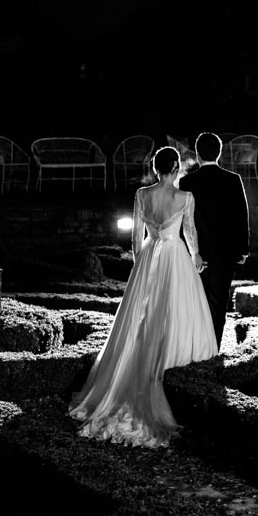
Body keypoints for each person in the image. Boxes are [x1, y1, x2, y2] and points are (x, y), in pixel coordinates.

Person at [68, 146, 217, 448]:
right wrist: (197, 256)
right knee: (175, 314)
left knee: (141, 319)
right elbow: (189, 233)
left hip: (149, 258)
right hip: (175, 257)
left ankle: (134, 375)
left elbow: (136, 237)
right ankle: (173, 374)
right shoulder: (184, 198)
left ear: (156, 168)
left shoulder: (142, 194)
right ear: (175, 167)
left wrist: (141, 265)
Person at [178, 132, 250, 348]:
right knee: (218, 305)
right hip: (225, 254)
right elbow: (241, 214)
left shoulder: (187, 181)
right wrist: (243, 250)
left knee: (195, 303)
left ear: (198, 154)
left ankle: (196, 347)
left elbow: (183, 220)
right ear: (219, 153)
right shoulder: (233, 179)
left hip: (197, 253)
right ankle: (213, 348)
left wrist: (186, 250)